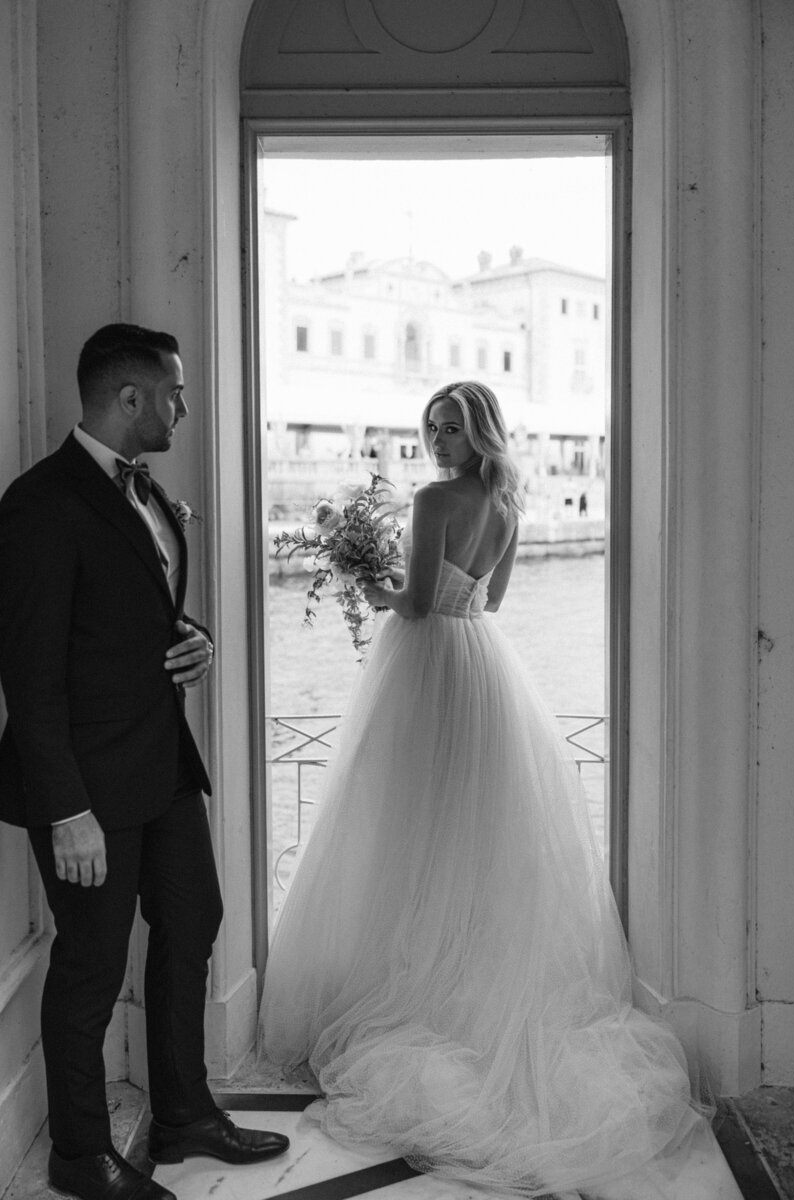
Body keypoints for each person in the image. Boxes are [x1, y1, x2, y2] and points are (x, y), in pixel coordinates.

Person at [258, 382, 738, 1200]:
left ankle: (414, 981)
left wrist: (369, 586)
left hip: (424, 667)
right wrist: (431, 587)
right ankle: (460, 975)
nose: (438, 440)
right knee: (472, 836)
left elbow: (415, 603)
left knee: (405, 826)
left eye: (451, 427)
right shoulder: (508, 507)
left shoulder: (432, 499)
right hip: (483, 668)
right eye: (431, 427)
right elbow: (495, 600)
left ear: (479, 431)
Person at [0, 325, 288, 1200]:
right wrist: (65, 810)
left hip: (161, 766)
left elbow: (132, 612)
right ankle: (80, 1153)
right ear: (130, 398)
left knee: (194, 919)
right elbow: (30, 675)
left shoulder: (144, 490)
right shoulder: (40, 504)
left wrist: (191, 639)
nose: (183, 408)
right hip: (87, 786)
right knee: (91, 966)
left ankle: (183, 1113)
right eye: (174, 392)